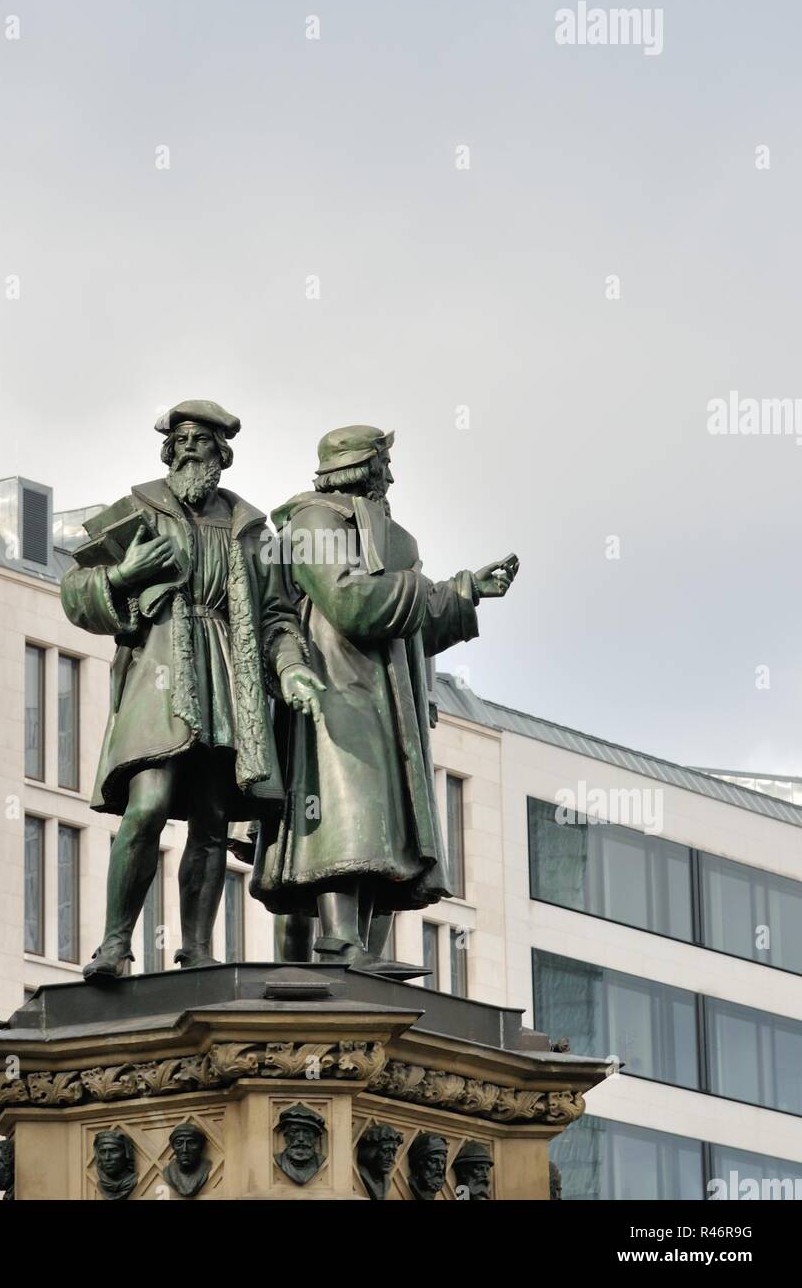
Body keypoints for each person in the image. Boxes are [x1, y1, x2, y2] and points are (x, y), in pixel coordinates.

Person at [60, 400, 321, 978]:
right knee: (148, 803)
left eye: (199, 441)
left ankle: (198, 949)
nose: (186, 449)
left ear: (221, 455)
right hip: (160, 671)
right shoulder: (139, 510)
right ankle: (114, 944)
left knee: (211, 817)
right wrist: (124, 577)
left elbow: (278, 617)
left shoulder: (253, 530)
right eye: (178, 440)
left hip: (229, 674)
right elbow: (76, 591)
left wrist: (292, 667)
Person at [252, 424, 518, 968]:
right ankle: (340, 941)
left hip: (383, 694)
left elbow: (409, 627)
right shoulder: (314, 523)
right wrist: (426, 589)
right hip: (334, 686)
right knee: (346, 808)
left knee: (383, 819)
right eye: (383, 464)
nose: (390, 476)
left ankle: (359, 952)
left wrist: (466, 592)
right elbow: (349, 602)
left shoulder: (383, 533)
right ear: (361, 468)